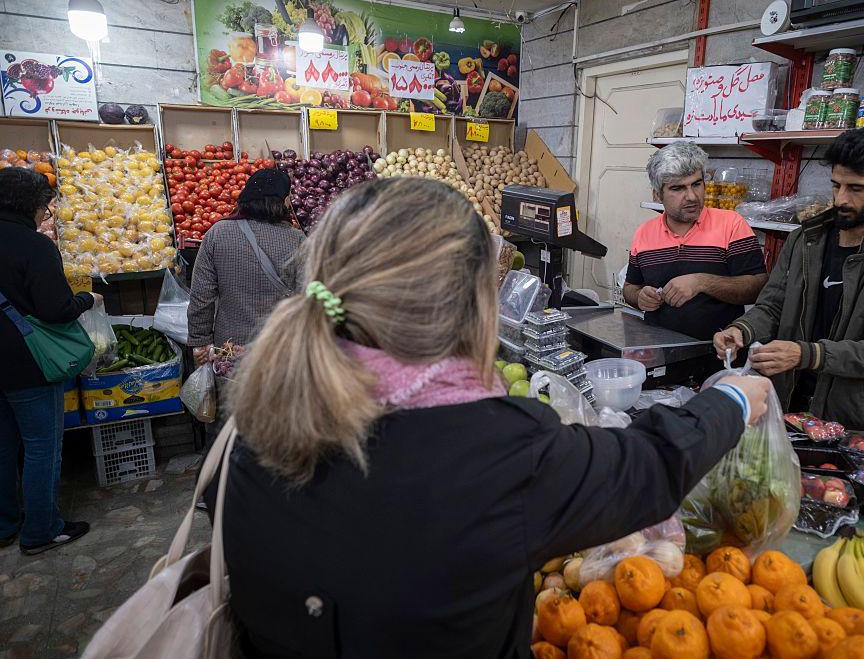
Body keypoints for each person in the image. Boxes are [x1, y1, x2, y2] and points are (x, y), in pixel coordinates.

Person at [207, 178, 771, 657]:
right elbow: (647, 467)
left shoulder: (256, 416)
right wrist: (734, 399)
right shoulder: (494, 450)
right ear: (472, 302)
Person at [714, 127, 864, 432]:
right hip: (787, 403)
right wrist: (742, 329)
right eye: (836, 186)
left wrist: (807, 354)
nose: (841, 199)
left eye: (856, 189)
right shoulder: (806, 240)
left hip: (852, 419)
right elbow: (774, 305)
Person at [0, 168, 102, 555]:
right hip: (28, 361)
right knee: (42, 445)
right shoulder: (35, 246)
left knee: (4, 445)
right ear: (30, 205)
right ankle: (41, 530)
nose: (47, 212)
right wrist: (88, 301)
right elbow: (56, 309)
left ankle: (5, 525)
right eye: (45, 204)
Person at [623, 141, 768, 340]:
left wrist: (702, 282)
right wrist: (640, 298)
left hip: (720, 353)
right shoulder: (644, 233)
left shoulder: (731, 224)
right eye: (678, 188)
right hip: (659, 352)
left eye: (696, 184)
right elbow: (630, 288)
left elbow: (758, 287)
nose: (691, 196)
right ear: (657, 195)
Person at [187, 167, 305, 364]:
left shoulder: (218, 233)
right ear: (283, 201)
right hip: (279, 349)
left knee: (232, 393)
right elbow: (307, 298)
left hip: (229, 350)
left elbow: (201, 296)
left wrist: (200, 341)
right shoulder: (297, 240)